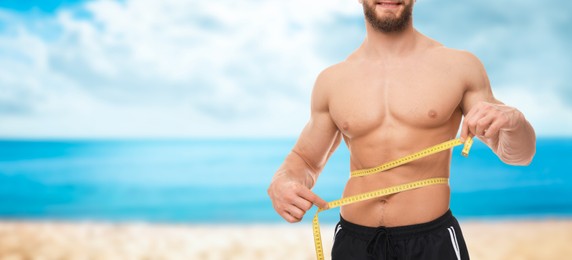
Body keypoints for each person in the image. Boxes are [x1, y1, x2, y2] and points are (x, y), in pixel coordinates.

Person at [267, 0, 536, 259]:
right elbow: (305, 160)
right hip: (354, 241)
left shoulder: (460, 67)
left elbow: (518, 155)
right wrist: (283, 181)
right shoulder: (332, 80)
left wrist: (515, 121)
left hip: (430, 241)